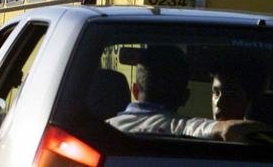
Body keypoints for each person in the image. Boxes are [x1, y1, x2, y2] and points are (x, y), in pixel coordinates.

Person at [107, 46, 270, 142]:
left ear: (134, 91)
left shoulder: (103, 131)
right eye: (216, 92)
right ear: (185, 97)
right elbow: (226, 130)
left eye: (232, 94)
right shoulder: (184, 130)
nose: (220, 103)